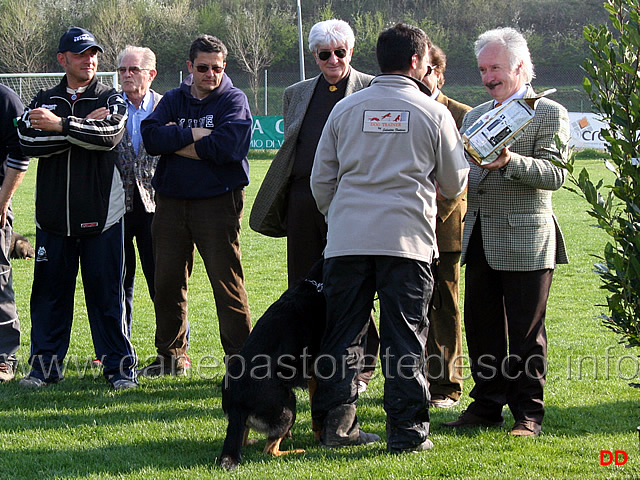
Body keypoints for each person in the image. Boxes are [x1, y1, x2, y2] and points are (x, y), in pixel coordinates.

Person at [310, 23, 469, 452]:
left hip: (347, 241)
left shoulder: (344, 109)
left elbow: (321, 180)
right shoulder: (434, 113)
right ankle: (408, 434)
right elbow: (455, 183)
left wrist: (340, 218)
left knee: (341, 336)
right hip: (408, 241)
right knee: (405, 340)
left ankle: (336, 430)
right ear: (417, 62)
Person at [442, 27, 570, 437]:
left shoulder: (549, 112)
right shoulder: (478, 115)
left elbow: (555, 175)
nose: (487, 77)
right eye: (482, 69)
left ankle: (528, 414)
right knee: (481, 330)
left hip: (527, 242)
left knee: (526, 334)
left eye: (494, 67)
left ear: (519, 66)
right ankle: (485, 406)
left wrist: (510, 161)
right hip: (478, 237)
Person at [249, 18, 379, 392]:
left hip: (353, 202)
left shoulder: (370, 88)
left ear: (351, 52)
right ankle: (308, 362)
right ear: (314, 55)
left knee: (354, 280)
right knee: (304, 284)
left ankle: (361, 364)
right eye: (325, 54)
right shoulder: (296, 93)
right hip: (304, 202)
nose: (333, 59)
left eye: (340, 52)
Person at [16, 27, 137, 390]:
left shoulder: (111, 97)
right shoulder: (43, 97)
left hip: (103, 216)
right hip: (52, 219)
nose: (90, 61)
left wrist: (61, 125)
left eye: (94, 54)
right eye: (81, 54)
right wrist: (81, 128)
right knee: (49, 296)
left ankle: (118, 370)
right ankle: (44, 370)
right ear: (62, 59)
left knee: (107, 297)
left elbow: (111, 134)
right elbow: (27, 139)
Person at [139, 34, 252, 376]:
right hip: (171, 202)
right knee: (167, 283)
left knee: (227, 283)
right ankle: (170, 359)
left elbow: (229, 148)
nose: (210, 74)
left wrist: (176, 140)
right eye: (202, 68)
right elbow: (152, 138)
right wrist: (198, 136)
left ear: (224, 68)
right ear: (190, 67)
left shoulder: (234, 99)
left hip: (218, 202)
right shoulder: (173, 99)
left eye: (217, 68)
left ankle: (241, 362)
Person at [421, 43, 471, 409]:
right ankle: (415, 378)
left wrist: (432, 215)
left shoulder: (463, 115)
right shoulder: (400, 107)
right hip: (403, 228)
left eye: (428, 70)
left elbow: (459, 181)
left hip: (444, 228)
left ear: (439, 72)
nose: (422, 77)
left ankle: (446, 385)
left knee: (444, 305)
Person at [114, 45, 163, 336]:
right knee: (117, 282)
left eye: (134, 69)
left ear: (151, 74)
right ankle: (117, 347)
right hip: (117, 208)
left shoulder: (167, 107)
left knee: (163, 283)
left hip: (157, 208)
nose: (127, 75)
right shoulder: (108, 107)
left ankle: (174, 349)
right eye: (122, 70)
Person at [0, 85, 30, 383]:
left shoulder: (5, 99)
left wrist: (2, 201)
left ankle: (3, 357)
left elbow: (20, 153)